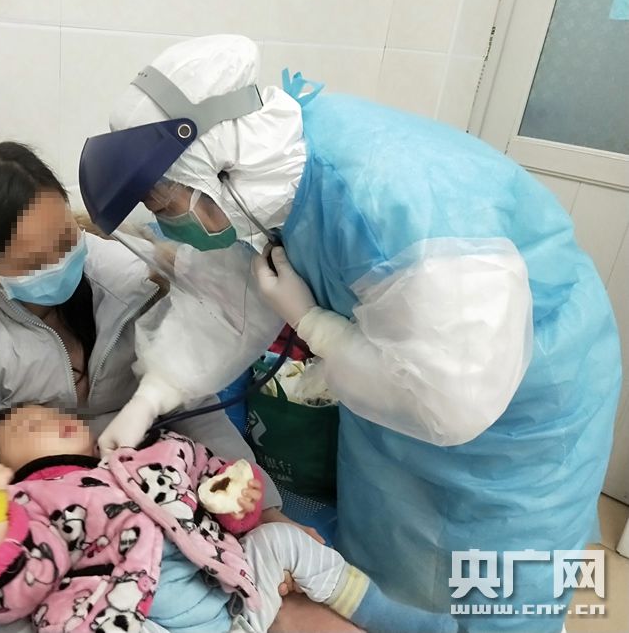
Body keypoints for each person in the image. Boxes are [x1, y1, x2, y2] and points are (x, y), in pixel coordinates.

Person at [78, 35, 623, 633]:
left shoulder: (395, 205)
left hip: (521, 412)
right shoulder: (264, 185)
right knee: (392, 554)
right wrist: (152, 395)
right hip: (392, 390)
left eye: (167, 202)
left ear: (221, 168)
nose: (167, 220)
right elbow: (223, 296)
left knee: (500, 583)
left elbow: (448, 403)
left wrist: (314, 324)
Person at [0, 141, 350, 633]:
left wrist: (264, 510)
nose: (60, 262)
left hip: (171, 513)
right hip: (64, 558)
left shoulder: (128, 272)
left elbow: (195, 405)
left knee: (297, 609)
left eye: (65, 238)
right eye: (34, 261)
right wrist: (5, 609)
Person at [0, 403, 457, 633]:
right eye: (29, 425)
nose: (51, 418)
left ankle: (395, 618)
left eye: (53, 412)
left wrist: (241, 501)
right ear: (5, 467)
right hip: (131, 617)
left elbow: (216, 484)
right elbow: (8, 595)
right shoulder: (32, 503)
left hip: (235, 606)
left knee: (279, 540)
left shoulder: (149, 456)